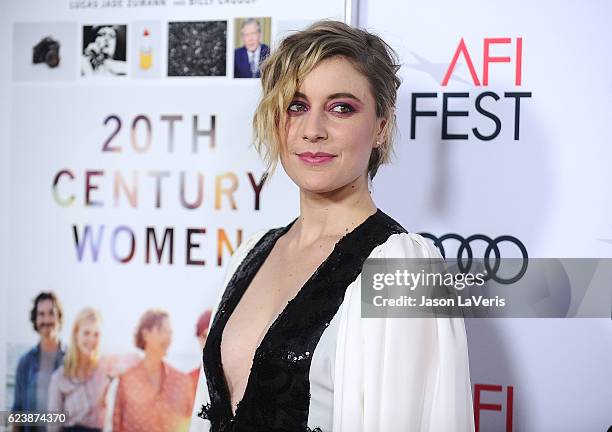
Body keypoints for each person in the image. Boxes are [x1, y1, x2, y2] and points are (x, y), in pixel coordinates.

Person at [191, 20, 474, 432]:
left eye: (341, 108)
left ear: (381, 126)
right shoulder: (252, 253)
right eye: (297, 106)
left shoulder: (401, 270)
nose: (313, 131)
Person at [113, 309, 194, 432]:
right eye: (163, 331)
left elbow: (190, 425)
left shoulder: (182, 382)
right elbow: (116, 425)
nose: (168, 338)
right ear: (145, 334)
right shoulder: (126, 380)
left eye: (170, 333)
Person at [47, 308, 111, 432]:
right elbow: (53, 427)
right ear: (76, 334)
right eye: (86, 333)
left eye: (96, 334)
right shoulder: (60, 378)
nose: (91, 340)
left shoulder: (105, 370)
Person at [12, 292, 66, 432]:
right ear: (35, 320)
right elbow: (17, 412)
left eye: (51, 313)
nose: (46, 320)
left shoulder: (71, 361)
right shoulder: (25, 363)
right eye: (41, 314)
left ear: (59, 317)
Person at [189, 310, 212, 392]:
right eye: (204, 336)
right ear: (198, 338)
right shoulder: (189, 380)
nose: (208, 342)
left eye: (212, 335)